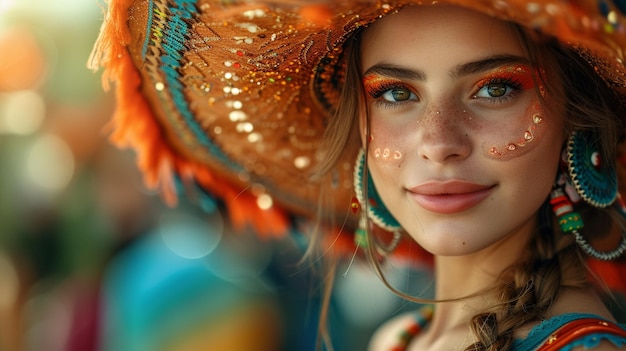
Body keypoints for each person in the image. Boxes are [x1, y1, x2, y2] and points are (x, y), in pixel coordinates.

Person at [89, 0, 626, 350]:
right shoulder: (399, 338)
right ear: (360, 133)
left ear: (575, 117)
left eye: (496, 87)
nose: (439, 144)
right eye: (396, 94)